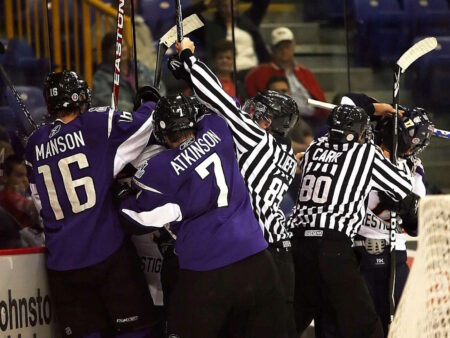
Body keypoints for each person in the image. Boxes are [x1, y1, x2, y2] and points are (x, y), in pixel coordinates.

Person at [119, 93, 286, 337]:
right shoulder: (217, 128)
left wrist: (121, 193)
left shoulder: (160, 169)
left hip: (207, 273)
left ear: (162, 133)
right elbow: (222, 104)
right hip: (257, 262)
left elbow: (135, 218)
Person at [170, 37, 300, 337]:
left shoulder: (256, 139)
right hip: (272, 253)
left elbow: (221, 102)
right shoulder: (280, 148)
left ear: (268, 122)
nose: (251, 112)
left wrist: (190, 57)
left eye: (260, 113)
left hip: (260, 255)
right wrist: (190, 76)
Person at [25, 70, 159, 337]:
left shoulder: (33, 144)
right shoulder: (95, 124)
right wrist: (149, 102)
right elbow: (146, 124)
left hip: (62, 263)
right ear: (79, 98)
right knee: (136, 331)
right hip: (106, 253)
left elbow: (41, 204)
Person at [289, 104, 419, 338]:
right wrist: (393, 153)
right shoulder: (365, 153)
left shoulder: (314, 148)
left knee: (300, 318)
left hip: (298, 244)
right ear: (359, 133)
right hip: (332, 246)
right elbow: (403, 189)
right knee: (366, 324)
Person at [344, 94, 434, 336]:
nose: (410, 148)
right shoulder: (362, 152)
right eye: (408, 141)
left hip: (395, 254)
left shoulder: (413, 168)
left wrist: (408, 211)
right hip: (356, 252)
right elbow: (347, 102)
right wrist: (379, 108)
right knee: (359, 327)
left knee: (400, 326)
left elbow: (416, 227)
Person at [245, 26, 328, 135]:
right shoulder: (258, 73)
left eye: (287, 46)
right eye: (280, 47)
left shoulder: (304, 72)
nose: (284, 50)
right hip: (282, 123)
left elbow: (320, 100)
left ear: (293, 47)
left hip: (314, 120)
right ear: (272, 49)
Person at [91, 32, 164, 112]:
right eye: (115, 48)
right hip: (123, 120)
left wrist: (158, 104)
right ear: (107, 53)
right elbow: (106, 102)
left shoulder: (138, 67)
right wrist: (138, 109)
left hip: (150, 113)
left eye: (122, 46)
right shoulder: (101, 77)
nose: (120, 51)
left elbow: (159, 85)